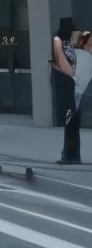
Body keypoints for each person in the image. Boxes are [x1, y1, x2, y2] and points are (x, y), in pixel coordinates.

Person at [51, 17, 82, 164]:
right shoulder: (78, 43)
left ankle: (69, 155)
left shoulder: (60, 43)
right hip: (77, 88)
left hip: (68, 87)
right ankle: (73, 154)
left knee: (69, 122)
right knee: (73, 124)